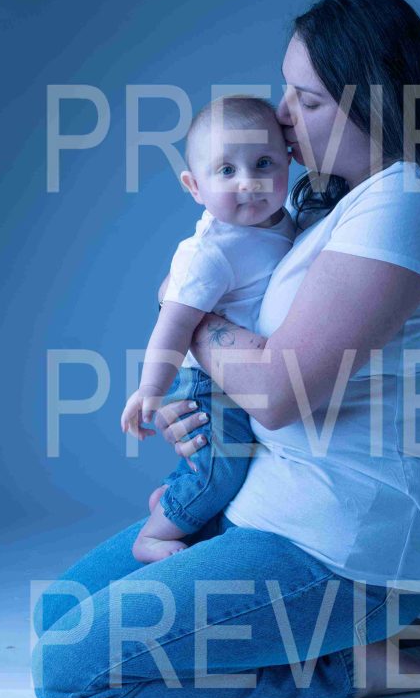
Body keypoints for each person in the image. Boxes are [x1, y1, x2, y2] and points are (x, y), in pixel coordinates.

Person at [33, 0, 420, 698]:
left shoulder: (406, 202)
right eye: (286, 90)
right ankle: (323, 639)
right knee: (58, 615)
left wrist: (188, 317)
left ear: (376, 104)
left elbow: (275, 389)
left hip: (339, 550)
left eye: (308, 99)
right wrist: (201, 414)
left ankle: (346, 668)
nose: (282, 114)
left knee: (73, 678)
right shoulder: (334, 204)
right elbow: (253, 363)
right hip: (263, 505)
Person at [119, 95, 294, 563]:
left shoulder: (282, 221)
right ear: (194, 186)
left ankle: (173, 496)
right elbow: (173, 322)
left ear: (288, 160)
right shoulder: (210, 252)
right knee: (222, 467)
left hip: (242, 373)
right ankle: (154, 535)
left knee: (226, 459)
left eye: (263, 163)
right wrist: (151, 388)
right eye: (226, 171)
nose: (249, 182)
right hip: (208, 380)